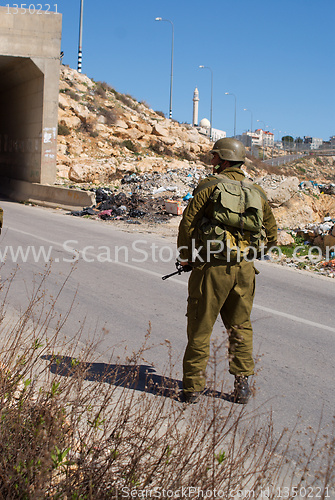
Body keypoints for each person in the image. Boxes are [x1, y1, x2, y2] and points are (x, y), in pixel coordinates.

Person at [177, 138, 277, 404]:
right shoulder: (256, 191)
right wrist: (248, 254)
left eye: (214, 158)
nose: (211, 162)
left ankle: (192, 388)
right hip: (245, 270)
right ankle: (242, 386)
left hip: (211, 268)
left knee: (200, 327)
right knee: (240, 327)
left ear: (222, 160)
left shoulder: (209, 187)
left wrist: (186, 258)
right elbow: (273, 235)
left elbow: (187, 225)